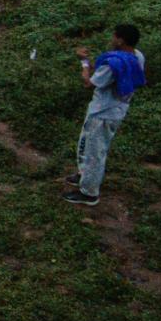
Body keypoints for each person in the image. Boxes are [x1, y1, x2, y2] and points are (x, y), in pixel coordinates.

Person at [67, 24, 143, 207]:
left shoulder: (113, 64)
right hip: (118, 108)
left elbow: (89, 82)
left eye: (114, 36)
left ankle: (89, 193)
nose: (112, 38)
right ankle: (84, 175)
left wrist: (84, 63)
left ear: (121, 40)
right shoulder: (137, 56)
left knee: (94, 151)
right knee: (89, 145)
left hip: (102, 112)